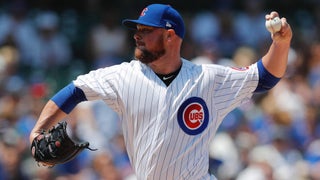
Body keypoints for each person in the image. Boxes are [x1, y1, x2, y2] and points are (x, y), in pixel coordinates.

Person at [29, 3, 292, 179]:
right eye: (137, 29)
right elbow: (74, 91)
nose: (137, 35)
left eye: (146, 30)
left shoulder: (207, 77)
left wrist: (281, 44)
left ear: (170, 36)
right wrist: (37, 131)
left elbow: (265, 77)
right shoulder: (123, 76)